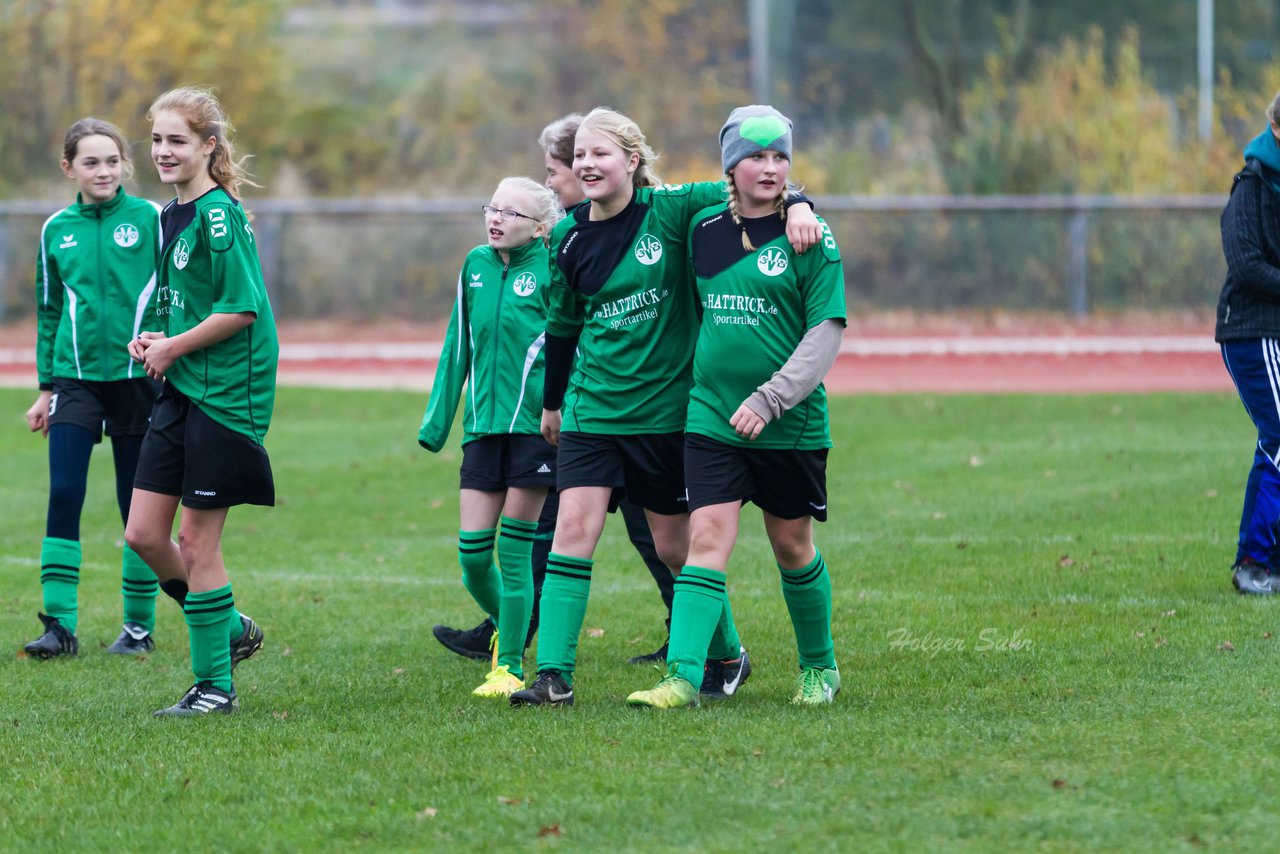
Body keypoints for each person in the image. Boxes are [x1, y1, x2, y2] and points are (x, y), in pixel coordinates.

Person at [510, 107, 822, 707]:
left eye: (600, 154)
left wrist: (803, 204)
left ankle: (727, 655)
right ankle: (552, 676)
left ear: (632, 161)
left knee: (676, 549)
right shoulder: (569, 236)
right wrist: (553, 405)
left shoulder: (675, 210)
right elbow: (562, 325)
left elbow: (755, 185)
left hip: (664, 416)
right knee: (573, 529)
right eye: (579, 156)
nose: (586, 164)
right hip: (590, 410)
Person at [430, 114, 677, 666]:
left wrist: (798, 200)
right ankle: (521, 640)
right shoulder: (559, 242)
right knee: (553, 531)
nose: (550, 183)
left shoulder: (603, 233)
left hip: (625, 408)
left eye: (552, 173)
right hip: (571, 413)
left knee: (656, 535)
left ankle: (704, 641)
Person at [627, 105, 846, 709]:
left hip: (790, 425)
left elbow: (825, 331)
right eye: (756, 156)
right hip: (711, 418)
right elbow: (631, 199)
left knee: (791, 547)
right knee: (705, 542)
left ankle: (818, 669)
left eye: (781, 157)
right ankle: (684, 676)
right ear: (730, 165)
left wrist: (771, 398)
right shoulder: (699, 228)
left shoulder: (810, 236)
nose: (770, 168)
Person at [124, 86, 277, 716]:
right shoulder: (170, 215)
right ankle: (231, 628)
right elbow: (188, 299)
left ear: (208, 146)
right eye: (157, 140)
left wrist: (175, 347)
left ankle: (214, 686)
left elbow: (243, 309)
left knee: (196, 543)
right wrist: (159, 338)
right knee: (142, 535)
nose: (163, 151)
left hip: (227, 393)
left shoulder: (221, 215)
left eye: (177, 141)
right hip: (185, 382)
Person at [21, 118, 168, 659]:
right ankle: (59, 627)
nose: (102, 171)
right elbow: (49, 309)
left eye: (111, 161)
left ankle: (137, 627)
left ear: (125, 165)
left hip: (138, 381)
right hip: (74, 381)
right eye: (90, 161)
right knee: (64, 492)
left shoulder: (153, 218)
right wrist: (45, 389)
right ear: (69, 168)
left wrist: (168, 350)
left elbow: (178, 289)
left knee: (136, 503)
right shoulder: (55, 228)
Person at [419, 176, 562, 698]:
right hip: (482, 430)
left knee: (515, 554)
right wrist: (438, 423)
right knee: (473, 557)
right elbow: (458, 342)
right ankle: (512, 630)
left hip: (535, 432)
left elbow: (570, 347)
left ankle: (508, 667)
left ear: (540, 228)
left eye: (511, 213)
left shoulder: (554, 269)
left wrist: (561, 410)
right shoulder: (474, 265)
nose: (496, 219)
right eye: (492, 208)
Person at [1218, 91, 1280, 596]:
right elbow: (1247, 266)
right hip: (1251, 331)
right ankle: (1253, 561)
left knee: (1276, 440)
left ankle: (1265, 560)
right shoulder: (1251, 188)